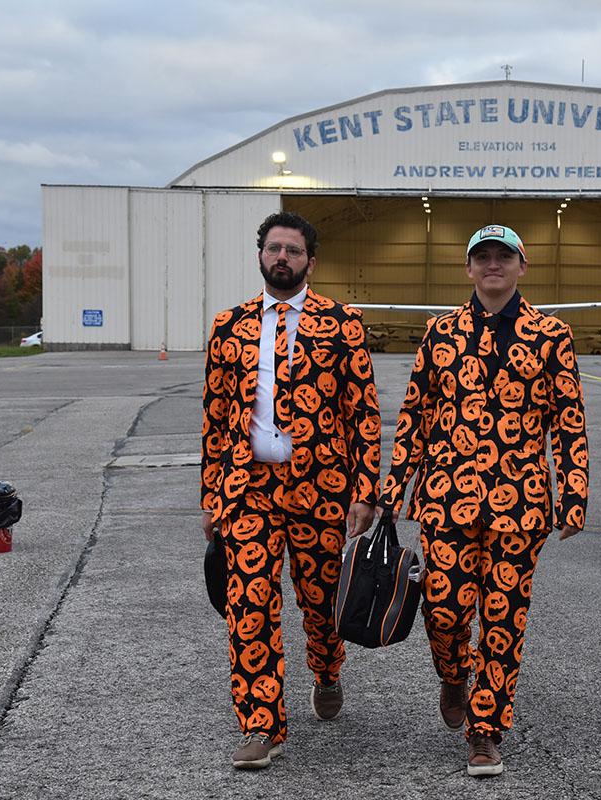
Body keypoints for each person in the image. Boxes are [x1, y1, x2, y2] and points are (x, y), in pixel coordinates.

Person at [378, 223, 589, 777]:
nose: (492, 265)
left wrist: (574, 494)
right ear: (469, 269)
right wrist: (395, 482)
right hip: (446, 498)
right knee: (444, 609)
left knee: (504, 617)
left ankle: (485, 729)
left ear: (522, 266)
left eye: (504, 256)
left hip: (521, 503)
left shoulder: (551, 335)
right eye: (482, 257)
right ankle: (453, 672)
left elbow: (569, 424)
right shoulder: (439, 332)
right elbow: (415, 414)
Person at [201, 211, 382, 769]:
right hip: (247, 488)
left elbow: (365, 415)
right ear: (260, 255)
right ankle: (260, 725)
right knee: (248, 604)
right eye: (274, 248)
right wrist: (212, 495)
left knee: (321, 603)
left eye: (294, 251)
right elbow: (214, 415)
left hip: (322, 489)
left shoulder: (341, 322)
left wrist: (365, 490)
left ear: (310, 261)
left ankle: (327, 670)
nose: (283, 258)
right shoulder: (227, 325)